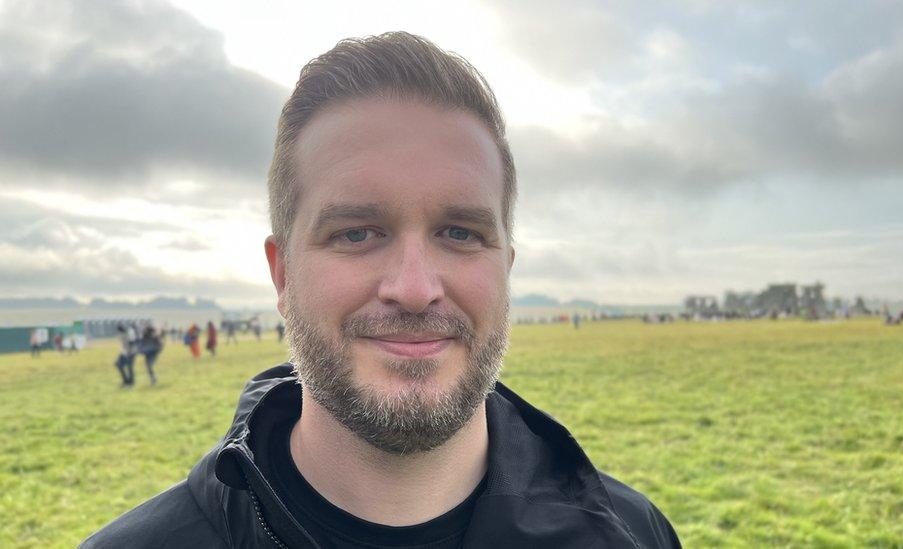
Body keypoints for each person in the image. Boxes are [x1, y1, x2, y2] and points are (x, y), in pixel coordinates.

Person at [83, 32, 679, 548]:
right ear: (282, 274)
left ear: (506, 270)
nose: (415, 289)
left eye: (460, 233)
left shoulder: (634, 536)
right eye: (358, 233)